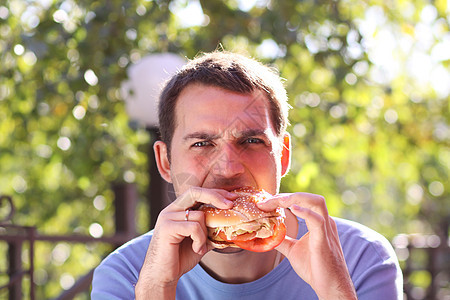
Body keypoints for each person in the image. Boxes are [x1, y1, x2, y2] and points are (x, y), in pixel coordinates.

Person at [91, 51, 403, 299]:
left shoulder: (361, 258)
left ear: (282, 157)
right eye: (202, 144)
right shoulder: (125, 275)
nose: (228, 168)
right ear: (165, 162)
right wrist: (156, 289)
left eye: (251, 141)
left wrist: (336, 292)